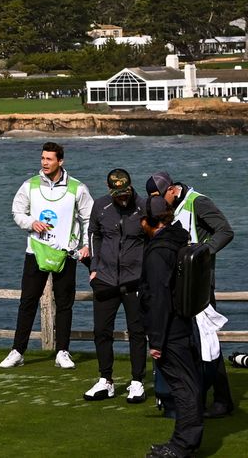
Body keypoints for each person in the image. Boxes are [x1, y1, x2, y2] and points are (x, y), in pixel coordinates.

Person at [147, 171, 235, 418]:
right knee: (187, 342)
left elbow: (225, 231)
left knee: (207, 342)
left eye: (160, 196)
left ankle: (222, 398)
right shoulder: (170, 209)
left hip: (200, 285)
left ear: (172, 189)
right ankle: (190, 396)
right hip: (180, 284)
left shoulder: (198, 201)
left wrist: (200, 253)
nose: (159, 203)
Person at [0, 141, 92, 369]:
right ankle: (17, 351)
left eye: (49, 159)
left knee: (64, 304)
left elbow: (89, 218)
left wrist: (87, 245)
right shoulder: (29, 185)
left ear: (60, 161)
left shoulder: (77, 188)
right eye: (42, 158)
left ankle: (62, 351)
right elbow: (17, 211)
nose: (45, 163)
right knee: (27, 302)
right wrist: (31, 222)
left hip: (66, 254)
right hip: (35, 252)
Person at [141, 195, 202, 458]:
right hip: (184, 323)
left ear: (148, 222)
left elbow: (158, 298)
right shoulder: (179, 238)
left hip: (169, 331)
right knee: (189, 385)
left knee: (183, 387)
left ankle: (182, 446)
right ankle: (186, 441)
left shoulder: (157, 253)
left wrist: (155, 341)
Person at [83, 168, 149, 403]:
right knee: (101, 331)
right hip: (106, 279)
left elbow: (152, 240)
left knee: (138, 332)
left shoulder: (143, 207)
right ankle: (106, 380)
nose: (122, 197)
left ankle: (137, 381)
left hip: (135, 280)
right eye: (117, 193)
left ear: (131, 188)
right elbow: (94, 235)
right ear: (110, 191)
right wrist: (93, 268)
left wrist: (148, 274)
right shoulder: (101, 206)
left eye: (125, 192)